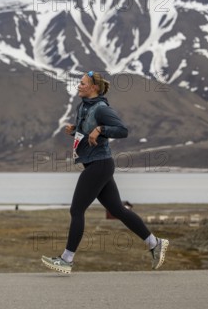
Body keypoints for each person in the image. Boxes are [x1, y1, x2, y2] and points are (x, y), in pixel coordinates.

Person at [41, 71, 168, 274]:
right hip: (95, 165)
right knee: (117, 209)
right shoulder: (83, 106)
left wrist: (100, 129)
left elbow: (122, 130)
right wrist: (75, 130)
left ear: (94, 88)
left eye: (82, 83)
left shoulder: (102, 109)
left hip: (100, 165)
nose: (79, 86)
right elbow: (86, 131)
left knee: (76, 210)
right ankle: (154, 242)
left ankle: (67, 259)